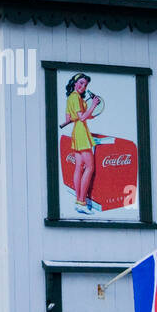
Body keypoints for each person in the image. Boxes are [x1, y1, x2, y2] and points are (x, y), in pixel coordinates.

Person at [60, 73, 100, 215]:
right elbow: (82, 117)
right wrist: (93, 105)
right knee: (89, 167)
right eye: (81, 83)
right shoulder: (76, 97)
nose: (83, 87)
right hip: (81, 132)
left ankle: (78, 201)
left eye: (85, 85)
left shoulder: (70, 98)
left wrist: (91, 112)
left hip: (76, 132)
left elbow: (69, 118)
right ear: (75, 82)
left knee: (79, 167)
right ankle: (82, 202)